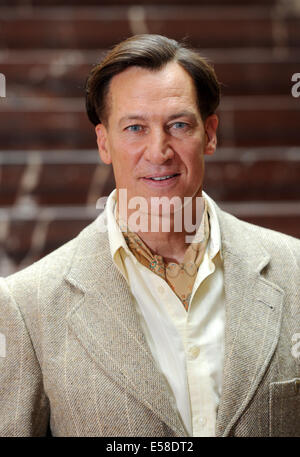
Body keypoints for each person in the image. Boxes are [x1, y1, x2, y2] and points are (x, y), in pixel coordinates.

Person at [0, 34, 299, 438]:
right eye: (135, 128)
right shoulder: (26, 304)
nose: (158, 151)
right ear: (104, 142)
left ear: (209, 134)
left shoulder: (294, 270)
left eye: (178, 125)